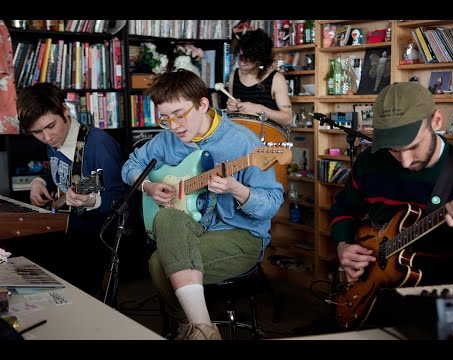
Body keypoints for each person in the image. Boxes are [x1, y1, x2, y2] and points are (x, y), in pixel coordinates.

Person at [121, 69, 284, 340]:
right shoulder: (167, 140)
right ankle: (202, 329)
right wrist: (148, 186)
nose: (173, 126)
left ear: (203, 104)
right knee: (166, 218)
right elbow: (131, 165)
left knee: (158, 264)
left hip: (240, 236)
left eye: (180, 114)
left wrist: (237, 189)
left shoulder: (243, 142)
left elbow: (271, 204)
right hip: (192, 232)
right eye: (165, 119)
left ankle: (193, 329)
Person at [329, 82, 453, 327]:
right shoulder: (370, 162)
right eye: (393, 150)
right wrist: (343, 246)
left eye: (412, 146)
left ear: (436, 121)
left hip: (451, 296)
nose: (405, 161)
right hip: (377, 292)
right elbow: (343, 209)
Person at [16, 82, 128, 297]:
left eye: (50, 126)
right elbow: (62, 175)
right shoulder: (59, 138)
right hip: (64, 226)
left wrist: (92, 202)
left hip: (93, 237)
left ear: (64, 110)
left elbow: (122, 199)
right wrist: (40, 181)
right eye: (37, 132)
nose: (47, 138)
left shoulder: (99, 144)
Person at [226, 28, 293, 127]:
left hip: (267, 136)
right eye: (240, 57)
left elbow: (288, 119)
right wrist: (230, 108)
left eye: (248, 59)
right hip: (240, 136)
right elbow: (230, 116)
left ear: (260, 59)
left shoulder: (276, 79)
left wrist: (260, 109)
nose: (241, 63)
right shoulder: (234, 76)